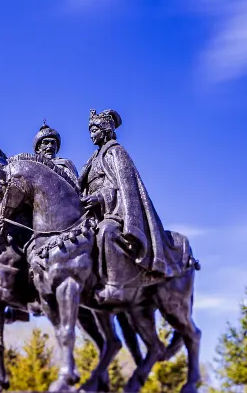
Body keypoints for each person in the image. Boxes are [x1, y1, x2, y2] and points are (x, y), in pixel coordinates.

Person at [79, 109, 184, 305]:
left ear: (105, 130)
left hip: (114, 210)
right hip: (95, 212)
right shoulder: (92, 159)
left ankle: (114, 285)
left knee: (106, 231)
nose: (91, 135)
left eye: (94, 130)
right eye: (90, 131)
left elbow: (122, 186)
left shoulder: (116, 152)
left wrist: (99, 197)